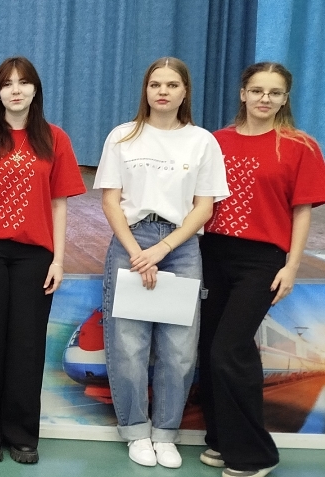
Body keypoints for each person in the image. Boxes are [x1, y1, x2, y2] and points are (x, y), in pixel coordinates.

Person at [0, 56, 85, 464]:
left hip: (34, 255)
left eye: (23, 82)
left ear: (35, 89)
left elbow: (59, 204)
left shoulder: (55, 139)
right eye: (7, 84)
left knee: (27, 345)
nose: (16, 90)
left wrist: (58, 259)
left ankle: (22, 434)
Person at [94, 57, 228, 469]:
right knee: (128, 346)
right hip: (130, 242)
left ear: (185, 92)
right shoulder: (123, 136)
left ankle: (166, 433)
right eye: (156, 84)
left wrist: (163, 248)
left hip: (181, 247)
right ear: (146, 90)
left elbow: (204, 207)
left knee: (179, 349)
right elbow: (110, 200)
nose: (163, 91)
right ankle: (136, 431)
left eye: (172, 85)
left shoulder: (202, 141)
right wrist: (138, 251)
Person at [197, 62, 325, 477]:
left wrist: (291, 266)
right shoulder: (216, 141)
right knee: (210, 349)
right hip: (213, 254)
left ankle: (255, 456)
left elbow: (302, 211)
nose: (264, 99)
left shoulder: (300, 146)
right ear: (243, 94)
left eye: (274, 92)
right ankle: (221, 440)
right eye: (256, 90)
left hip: (262, 261)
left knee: (229, 350)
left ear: (285, 99)